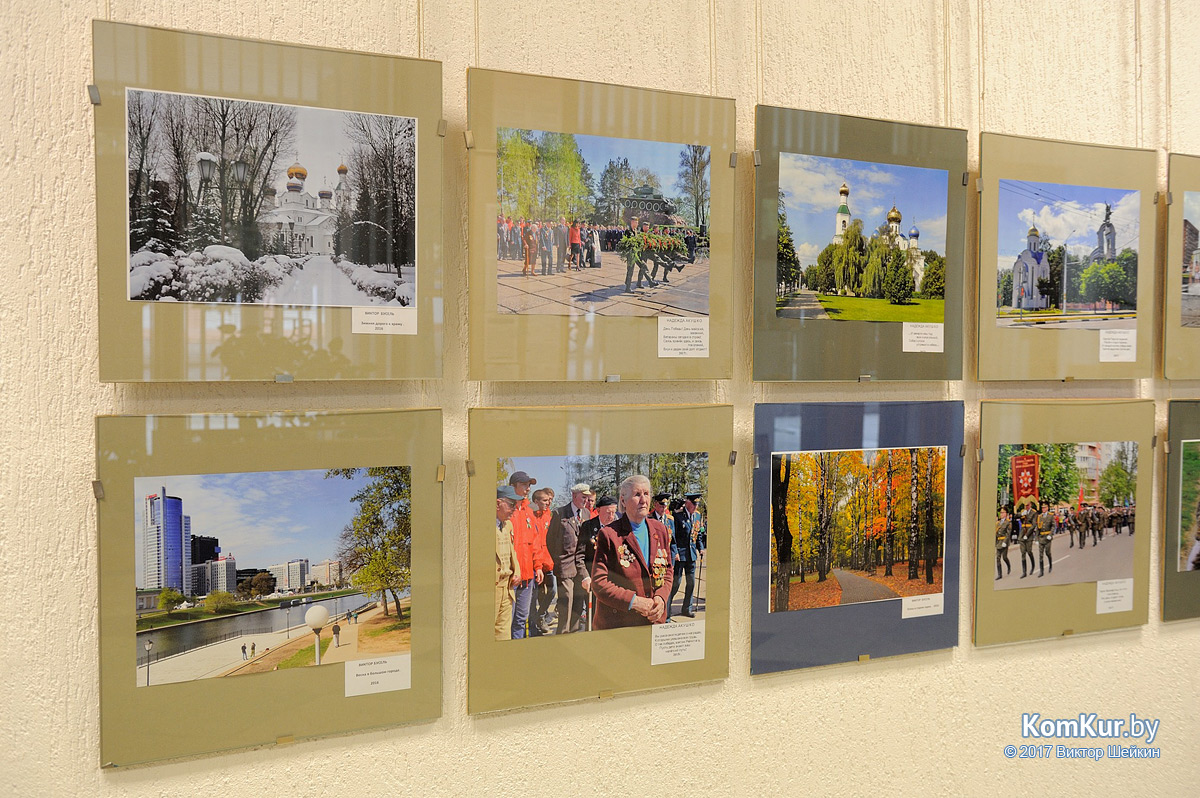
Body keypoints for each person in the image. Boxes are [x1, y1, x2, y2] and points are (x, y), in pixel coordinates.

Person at [590, 475, 673, 629]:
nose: (643, 500)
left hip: (654, 620)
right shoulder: (609, 535)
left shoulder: (660, 530)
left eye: (646, 494)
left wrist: (661, 598)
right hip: (621, 624)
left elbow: (668, 570)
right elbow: (599, 583)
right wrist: (635, 602)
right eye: (637, 494)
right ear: (623, 501)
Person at [508, 471, 552, 639]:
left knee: (521, 619)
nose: (528, 489)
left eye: (529, 485)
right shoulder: (507, 511)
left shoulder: (529, 512)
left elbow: (535, 542)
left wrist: (538, 567)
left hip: (527, 576)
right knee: (507, 620)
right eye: (524, 485)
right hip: (511, 576)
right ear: (513, 486)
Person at [547, 485, 589, 634]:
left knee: (578, 601)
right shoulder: (559, 513)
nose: (586, 500)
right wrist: (558, 559)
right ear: (574, 496)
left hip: (580, 565)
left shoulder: (586, 513)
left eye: (587, 497)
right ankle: (562, 634)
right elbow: (550, 539)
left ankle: (573, 633)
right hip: (565, 565)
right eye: (583, 497)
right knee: (566, 600)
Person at [579, 495, 619, 631]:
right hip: (594, 579)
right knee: (594, 618)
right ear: (598, 510)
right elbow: (580, 555)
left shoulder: (618, 526)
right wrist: (585, 576)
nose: (611, 516)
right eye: (608, 512)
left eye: (613, 512)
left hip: (615, 580)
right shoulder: (588, 527)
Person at [494, 485, 522, 640]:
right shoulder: (482, 527)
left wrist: (516, 571)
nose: (514, 509)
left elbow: (513, 551)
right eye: (511, 504)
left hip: (507, 587)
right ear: (498, 503)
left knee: (503, 633)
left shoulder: (508, 525)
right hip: (492, 589)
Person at [666, 496, 695, 619]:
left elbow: (696, 534)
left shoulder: (697, 516)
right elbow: (674, 536)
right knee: (676, 583)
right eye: (694, 504)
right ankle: (667, 608)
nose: (696, 507)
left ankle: (687, 608)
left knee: (691, 583)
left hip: (691, 555)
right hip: (680, 555)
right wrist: (675, 552)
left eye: (697, 504)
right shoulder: (677, 517)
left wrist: (700, 548)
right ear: (688, 503)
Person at [620, 216, 656, 292]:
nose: (637, 224)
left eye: (637, 222)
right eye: (636, 222)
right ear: (632, 222)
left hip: (637, 253)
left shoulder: (636, 231)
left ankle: (650, 281)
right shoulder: (628, 231)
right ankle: (627, 287)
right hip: (631, 254)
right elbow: (625, 242)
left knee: (643, 266)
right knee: (630, 270)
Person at [1018, 502, 1037, 578]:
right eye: (1026, 505)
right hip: (1022, 534)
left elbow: (1033, 525)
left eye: (1028, 505)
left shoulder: (1034, 512)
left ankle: (1033, 566)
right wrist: (1021, 514)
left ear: (1031, 505)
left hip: (1029, 534)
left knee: (1029, 551)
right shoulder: (1023, 511)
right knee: (1023, 553)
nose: (1027, 506)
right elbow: (1015, 516)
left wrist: (1027, 535)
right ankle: (1024, 572)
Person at [1036, 501, 1055, 577]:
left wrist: (1050, 534)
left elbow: (1053, 526)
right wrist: (1036, 539)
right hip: (1041, 537)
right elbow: (1038, 528)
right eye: (1042, 508)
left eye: (1045, 507)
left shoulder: (1051, 516)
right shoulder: (1039, 516)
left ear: (1047, 508)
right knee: (1040, 555)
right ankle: (1041, 571)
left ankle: (1050, 564)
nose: (1043, 509)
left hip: (1047, 537)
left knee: (1047, 552)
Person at [995, 506, 1012, 580]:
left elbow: (1008, 534)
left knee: (1004, 557)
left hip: (1004, 542)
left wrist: (1005, 542)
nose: (1001, 514)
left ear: (1006, 514)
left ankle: (1009, 566)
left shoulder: (1008, 522)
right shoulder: (998, 523)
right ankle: (1000, 574)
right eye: (1000, 512)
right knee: (998, 558)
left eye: (1002, 512)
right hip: (998, 542)